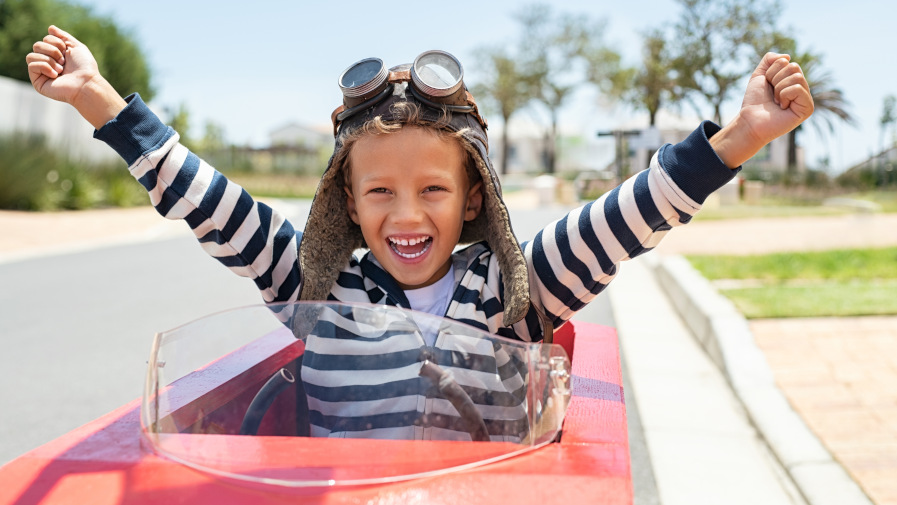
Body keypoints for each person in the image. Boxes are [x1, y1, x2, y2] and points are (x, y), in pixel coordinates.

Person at [27, 26, 813, 440]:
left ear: (474, 198)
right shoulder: (319, 284)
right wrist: (102, 103)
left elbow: (627, 215)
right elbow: (207, 201)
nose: (406, 214)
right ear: (347, 204)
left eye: (432, 188)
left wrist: (737, 139)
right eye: (380, 192)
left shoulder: (515, 288)